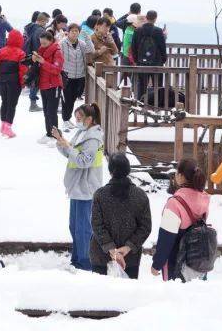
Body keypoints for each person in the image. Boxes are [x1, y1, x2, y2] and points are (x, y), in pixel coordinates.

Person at [52, 102, 104, 271]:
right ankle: (77, 259)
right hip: (77, 187)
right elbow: (72, 154)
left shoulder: (93, 138)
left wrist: (68, 146)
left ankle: (84, 263)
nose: (77, 120)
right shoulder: (82, 133)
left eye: (80, 117)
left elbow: (83, 161)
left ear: (90, 119)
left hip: (86, 188)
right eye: (76, 117)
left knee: (83, 229)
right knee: (74, 227)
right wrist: (61, 142)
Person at [91, 153, 152, 279]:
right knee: (127, 296)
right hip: (130, 258)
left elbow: (97, 225)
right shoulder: (140, 195)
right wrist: (128, 246)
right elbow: (145, 227)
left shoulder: (100, 195)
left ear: (110, 171)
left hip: (102, 256)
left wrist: (111, 249)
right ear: (128, 170)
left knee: (99, 296)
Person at [150, 157, 211, 281]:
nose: (175, 175)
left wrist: (157, 264)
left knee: (175, 297)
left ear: (182, 176)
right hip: (198, 262)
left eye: (177, 172)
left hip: (176, 263)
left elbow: (166, 238)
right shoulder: (204, 198)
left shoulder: (174, 204)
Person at [0, 29, 26, 139]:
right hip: (14, 82)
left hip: (3, 80)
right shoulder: (21, 53)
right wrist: (23, 82)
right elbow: (23, 70)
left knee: (4, 102)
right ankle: (8, 126)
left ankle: (3, 125)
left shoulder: (1, 51)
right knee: (12, 104)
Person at [32, 29, 64, 145]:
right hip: (43, 85)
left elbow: (56, 70)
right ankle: (49, 133)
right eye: (41, 43)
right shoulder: (41, 50)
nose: (42, 45)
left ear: (51, 41)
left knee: (52, 111)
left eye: (44, 43)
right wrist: (35, 60)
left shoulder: (57, 52)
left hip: (54, 85)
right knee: (46, 111)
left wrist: (43, 62)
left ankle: (56, 137)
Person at [60, 23, 93, 131]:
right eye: (72, 31)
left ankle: (67, 118)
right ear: (68, 32)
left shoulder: (82, 44)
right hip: (67, 75)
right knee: (66, 99)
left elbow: (90, 50)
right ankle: (65, 119)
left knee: (74, 98)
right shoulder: (63, 43)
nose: (74, 33)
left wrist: (87, 38)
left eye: (76, 31)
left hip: (80, 75)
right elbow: (59, 56)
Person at [131, 10, 168, 105]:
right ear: (155, 18)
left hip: (141, 63)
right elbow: (162, 47)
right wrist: (163, 59)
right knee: (157, 85)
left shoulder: (137, 30)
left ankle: (140, 103)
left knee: (142, 85)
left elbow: (133, 47)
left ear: (146, 18)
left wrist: (136, 60)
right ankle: (156, 105)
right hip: (156, 63)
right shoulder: (158, 31)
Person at [23, 12, 50, 112]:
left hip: (32, 57)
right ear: (42, 21)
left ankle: (33, 103)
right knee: (36, 81)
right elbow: (42, 45)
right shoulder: (40, 31)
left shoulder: (31, 29)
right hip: (38, 57)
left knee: (35, 79)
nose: (47, 24)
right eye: (46, 21)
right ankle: (33, 103)